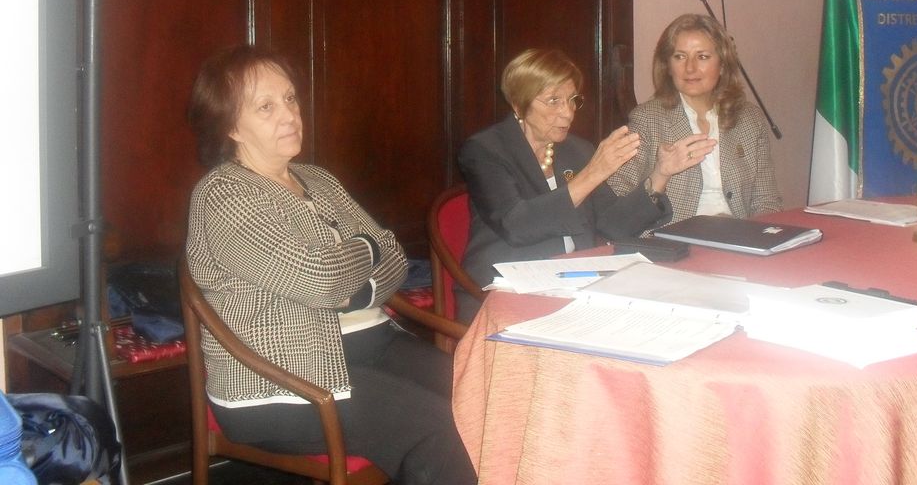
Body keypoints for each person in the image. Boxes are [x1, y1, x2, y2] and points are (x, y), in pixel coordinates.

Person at [185, 45, 475, 485]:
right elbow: (321, 280)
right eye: (266, 106)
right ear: (231, 127)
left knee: (482, 395)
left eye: (290, 98)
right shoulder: (224, 194)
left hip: (374, 344)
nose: (289, 114)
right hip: (282, 379)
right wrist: (367, 248)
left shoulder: (317, 179)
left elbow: (394, 255)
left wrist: (358, 288)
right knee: (436, 429)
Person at [457, 48, 688, 321]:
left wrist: (659, 176)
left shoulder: (576, 150)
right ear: (519, 104)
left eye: (572, 100)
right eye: (553, 101)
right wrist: (592, 174)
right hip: (503, 289)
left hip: (572, 284)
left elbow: (612, 226)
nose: (567, 113)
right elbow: (516, 225)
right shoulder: (485, 150)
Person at [608, 13, 782, 221]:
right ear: (668, 66)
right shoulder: (647, 120)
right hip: (672, 236)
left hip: (738, 234)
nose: (690, 68)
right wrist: (659, 175)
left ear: (723, 65)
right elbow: (616, 200)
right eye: (680, 57)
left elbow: (766, 200)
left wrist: (765, 236)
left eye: (702, 57)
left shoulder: (749, 119)